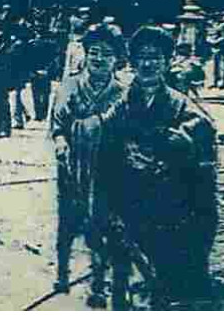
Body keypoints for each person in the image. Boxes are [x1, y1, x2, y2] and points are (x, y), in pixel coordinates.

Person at [96, 26, 218, 309]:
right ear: (133, 62)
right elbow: (104, 157)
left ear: (166, 63)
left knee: (172, 287)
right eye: (141, 58)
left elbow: (204, 169)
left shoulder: (183, 109)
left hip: (173, 213)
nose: (148, 64)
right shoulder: (121, 106)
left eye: (156, 58)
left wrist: (184, 146)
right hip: (130, 210)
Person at [48, 24, 126, 306]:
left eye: (106, 54)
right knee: (68, 221)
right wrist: (60, 141)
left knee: (102, 225)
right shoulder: (70, 85)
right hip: (73, 164)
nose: (99, 59)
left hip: (108, 169)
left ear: (116, 59)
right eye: (94, 52)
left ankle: (98, 284)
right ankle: (62, 272)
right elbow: (57, 124)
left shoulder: (122, 92)